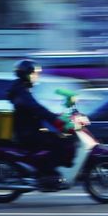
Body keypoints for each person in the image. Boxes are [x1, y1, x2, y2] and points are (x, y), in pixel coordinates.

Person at [6, 59, 75, 188]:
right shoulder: (21, 91)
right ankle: (47, 174)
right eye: (34, 73)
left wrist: (57, 115)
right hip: (27, 133)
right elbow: (36, 108)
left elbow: (37, 107)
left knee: (57, 138)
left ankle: (46, 172)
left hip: (29, 129)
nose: (37, 76)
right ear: (26, 74)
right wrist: (54, 118)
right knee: (59, 143)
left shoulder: (22, 88)